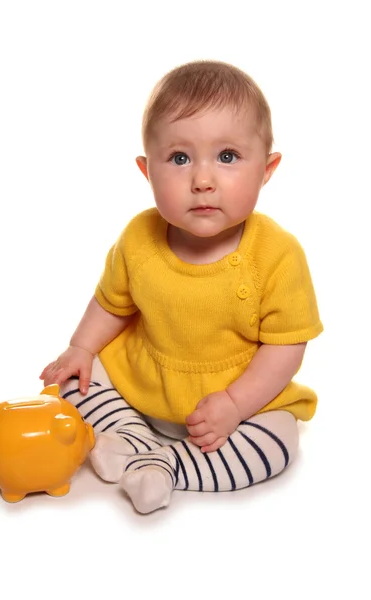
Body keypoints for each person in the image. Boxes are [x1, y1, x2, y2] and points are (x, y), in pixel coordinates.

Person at [40, 60, 323, 514]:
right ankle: (130, 433)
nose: (203, 180)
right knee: (74, 379)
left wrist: (235, 403)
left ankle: (165, 464)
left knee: (279, 443)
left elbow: (286, 347)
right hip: (143, 385)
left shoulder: (276, 255)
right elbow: (111, 304)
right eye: (179, 158)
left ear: (267, 169)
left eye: (227, 157)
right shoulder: (138, 238)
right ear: (146, 170)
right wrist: (79, 348)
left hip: (230, 406)